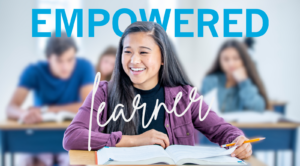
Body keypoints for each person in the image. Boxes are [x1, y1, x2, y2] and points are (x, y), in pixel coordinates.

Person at [63, 22, 252, 159]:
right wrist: (135, 140)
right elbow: (72, 137)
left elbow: (221, 130)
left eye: (144, 52)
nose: (134, 60)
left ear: (163, 58)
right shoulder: (103, 93)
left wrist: (237, 140)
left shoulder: (185, 97)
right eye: (127, 52)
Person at [6, 32, 95, 166]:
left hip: (71, 134)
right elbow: (10, 107)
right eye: (59, 61)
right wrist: (24, 114)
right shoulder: (34, 71)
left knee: (78, 160)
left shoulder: (84, 67)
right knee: (33, 161)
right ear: (48, 58)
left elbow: (89, 106)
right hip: (41, 135)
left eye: (70, 60)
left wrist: (49, 109)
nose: (65, 67)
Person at [201, 39, 269, 112]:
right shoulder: (210, 81)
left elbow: (259, 108)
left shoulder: (249, 83)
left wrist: (244, 82)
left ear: (244, 60)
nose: (231, 64)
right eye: (226, 59)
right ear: (219, 61)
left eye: (236, 58)